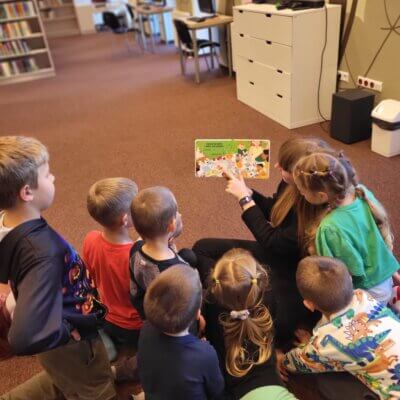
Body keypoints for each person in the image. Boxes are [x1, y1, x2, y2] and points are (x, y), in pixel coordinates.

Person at [0, 136, 115, 399]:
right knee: (95, 385)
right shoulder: (44, 252)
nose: (54, 178)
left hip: (49, 324)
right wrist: (62, 330)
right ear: (27, 192)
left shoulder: (5, 219)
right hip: (71, 340)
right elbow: (24, 337)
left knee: (65, 375)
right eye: (47, 174)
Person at [193, 137, 331, 345]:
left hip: (295, 272)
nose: (276, 166)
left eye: (284, 166)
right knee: (202, 248)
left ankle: (232, 317)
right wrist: (247, 191)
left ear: (300, 174)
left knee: (278, 324)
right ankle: (225, 302)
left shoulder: (314, 206)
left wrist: (245, 200)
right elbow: (274, 209)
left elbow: (272, 240)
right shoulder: (289, 183)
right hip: (277, 254)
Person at [280, 256, 400, 400]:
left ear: (309, 304)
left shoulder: (323, 344)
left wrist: (281, 357)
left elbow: (294, 363)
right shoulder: (364, 296)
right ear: (350, 279)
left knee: (327, 384)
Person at [293, 152, 399, 304]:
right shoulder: (363, 193)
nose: (301, 194)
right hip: (385, 278)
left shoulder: (329, 228)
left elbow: (335, 276)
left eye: (302, 192)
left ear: (322, 196)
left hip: (367, 293)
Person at [204, 249, 297, 400]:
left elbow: (212, 339)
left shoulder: (211, 303)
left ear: (216, 286)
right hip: (270, 378)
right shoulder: (268, 298)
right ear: (259, 280)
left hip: (233, 384)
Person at [137, 264, 225, 400]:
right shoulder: (205, 353)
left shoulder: (146, 329)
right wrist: (201, 347)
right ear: (197, 314)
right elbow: (217, 391)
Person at [84, 177, 143, 360]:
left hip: (107, 317)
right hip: (135, 328)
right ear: (126, 219)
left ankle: (103, 338)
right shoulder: (137, 256)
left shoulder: (90, 239)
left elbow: (90, 275)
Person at [130, 186, 196, 320]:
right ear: (171, 225)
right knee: (191, 258)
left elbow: (149, 233)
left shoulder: (135, 248)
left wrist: (168, 238)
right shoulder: (179, 271)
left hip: (144, 303)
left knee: (188, 254)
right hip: (168, 315)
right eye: (177, 213)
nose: (180, 215)